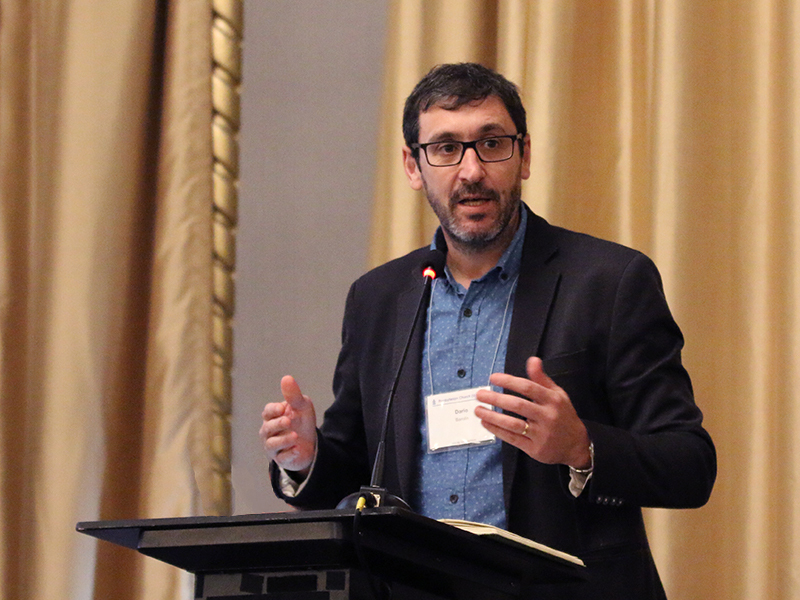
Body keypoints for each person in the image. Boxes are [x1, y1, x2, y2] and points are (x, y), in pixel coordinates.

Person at [259, 62, 716, 599]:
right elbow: (359, 468)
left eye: (491, 143)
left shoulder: (609, 281)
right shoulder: (379, 298)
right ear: (413, 165)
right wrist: (307, 459)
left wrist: (581, 447)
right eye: (446, 148)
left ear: (523, 156)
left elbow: (690, 464)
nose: (471, 170)